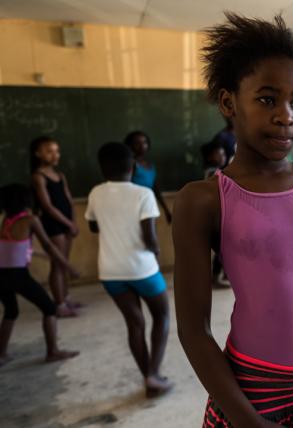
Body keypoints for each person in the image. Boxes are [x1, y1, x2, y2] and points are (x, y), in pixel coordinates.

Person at [173, 14, 293, 427]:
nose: (286, 116)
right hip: (251, 390)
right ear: (228, 103)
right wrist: (247, 420)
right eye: (266, 99)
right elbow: (193, 329)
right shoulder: (203, 200)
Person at [85, 142, 173, 398]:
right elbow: (150, 239)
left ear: (101, 169)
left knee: (134, 324)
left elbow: (92, 227)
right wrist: (156, 251)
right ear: (133, 166)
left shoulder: (95, 193)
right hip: (142, 269)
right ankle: (154, 374)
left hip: (110, 271)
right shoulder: (143, 194)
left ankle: (148, 377)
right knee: (162, 316)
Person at [0, 183, 80, 366]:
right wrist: (68, 267)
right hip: (18, 275)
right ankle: (52, 351)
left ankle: (1, 354)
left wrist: (38, 255)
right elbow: (49, 245)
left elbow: (13, 247)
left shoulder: (6, 220)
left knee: (11, 311)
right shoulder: (31, 219)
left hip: (1, 275)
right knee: (50, 309)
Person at [29, 136, 79, 317]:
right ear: (37, 154)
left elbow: (69, 200)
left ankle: (65, 298)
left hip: (66, 222)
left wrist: (73, 221)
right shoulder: (38, 176)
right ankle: (58, 304)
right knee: (58, 264)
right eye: (49, 151)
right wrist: (67, 223)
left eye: (56, 151)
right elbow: (47, 206)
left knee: (64, 260)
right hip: (53, 224)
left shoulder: (60, 175)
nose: (55, 155)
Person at [124, 131, 173, 224]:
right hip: (134, 205)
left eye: (144, 142)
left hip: (148, 204)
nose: (142, 145)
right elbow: (126, 187)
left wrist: (166, 209)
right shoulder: (131, 164)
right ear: (130, 146)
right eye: (137, 143)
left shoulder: (150, 165)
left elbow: (155, 188)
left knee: (148, 231)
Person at [200, 141, 229, 287]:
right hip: (218, 215)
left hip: (221, 214)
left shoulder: (217, 170)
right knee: (221, 250)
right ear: (211, 157)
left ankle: (223, 275)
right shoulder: (213, 172)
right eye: (220, 154)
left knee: (223, 249)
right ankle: (216, 277)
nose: (223, 156)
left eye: (224, 153)